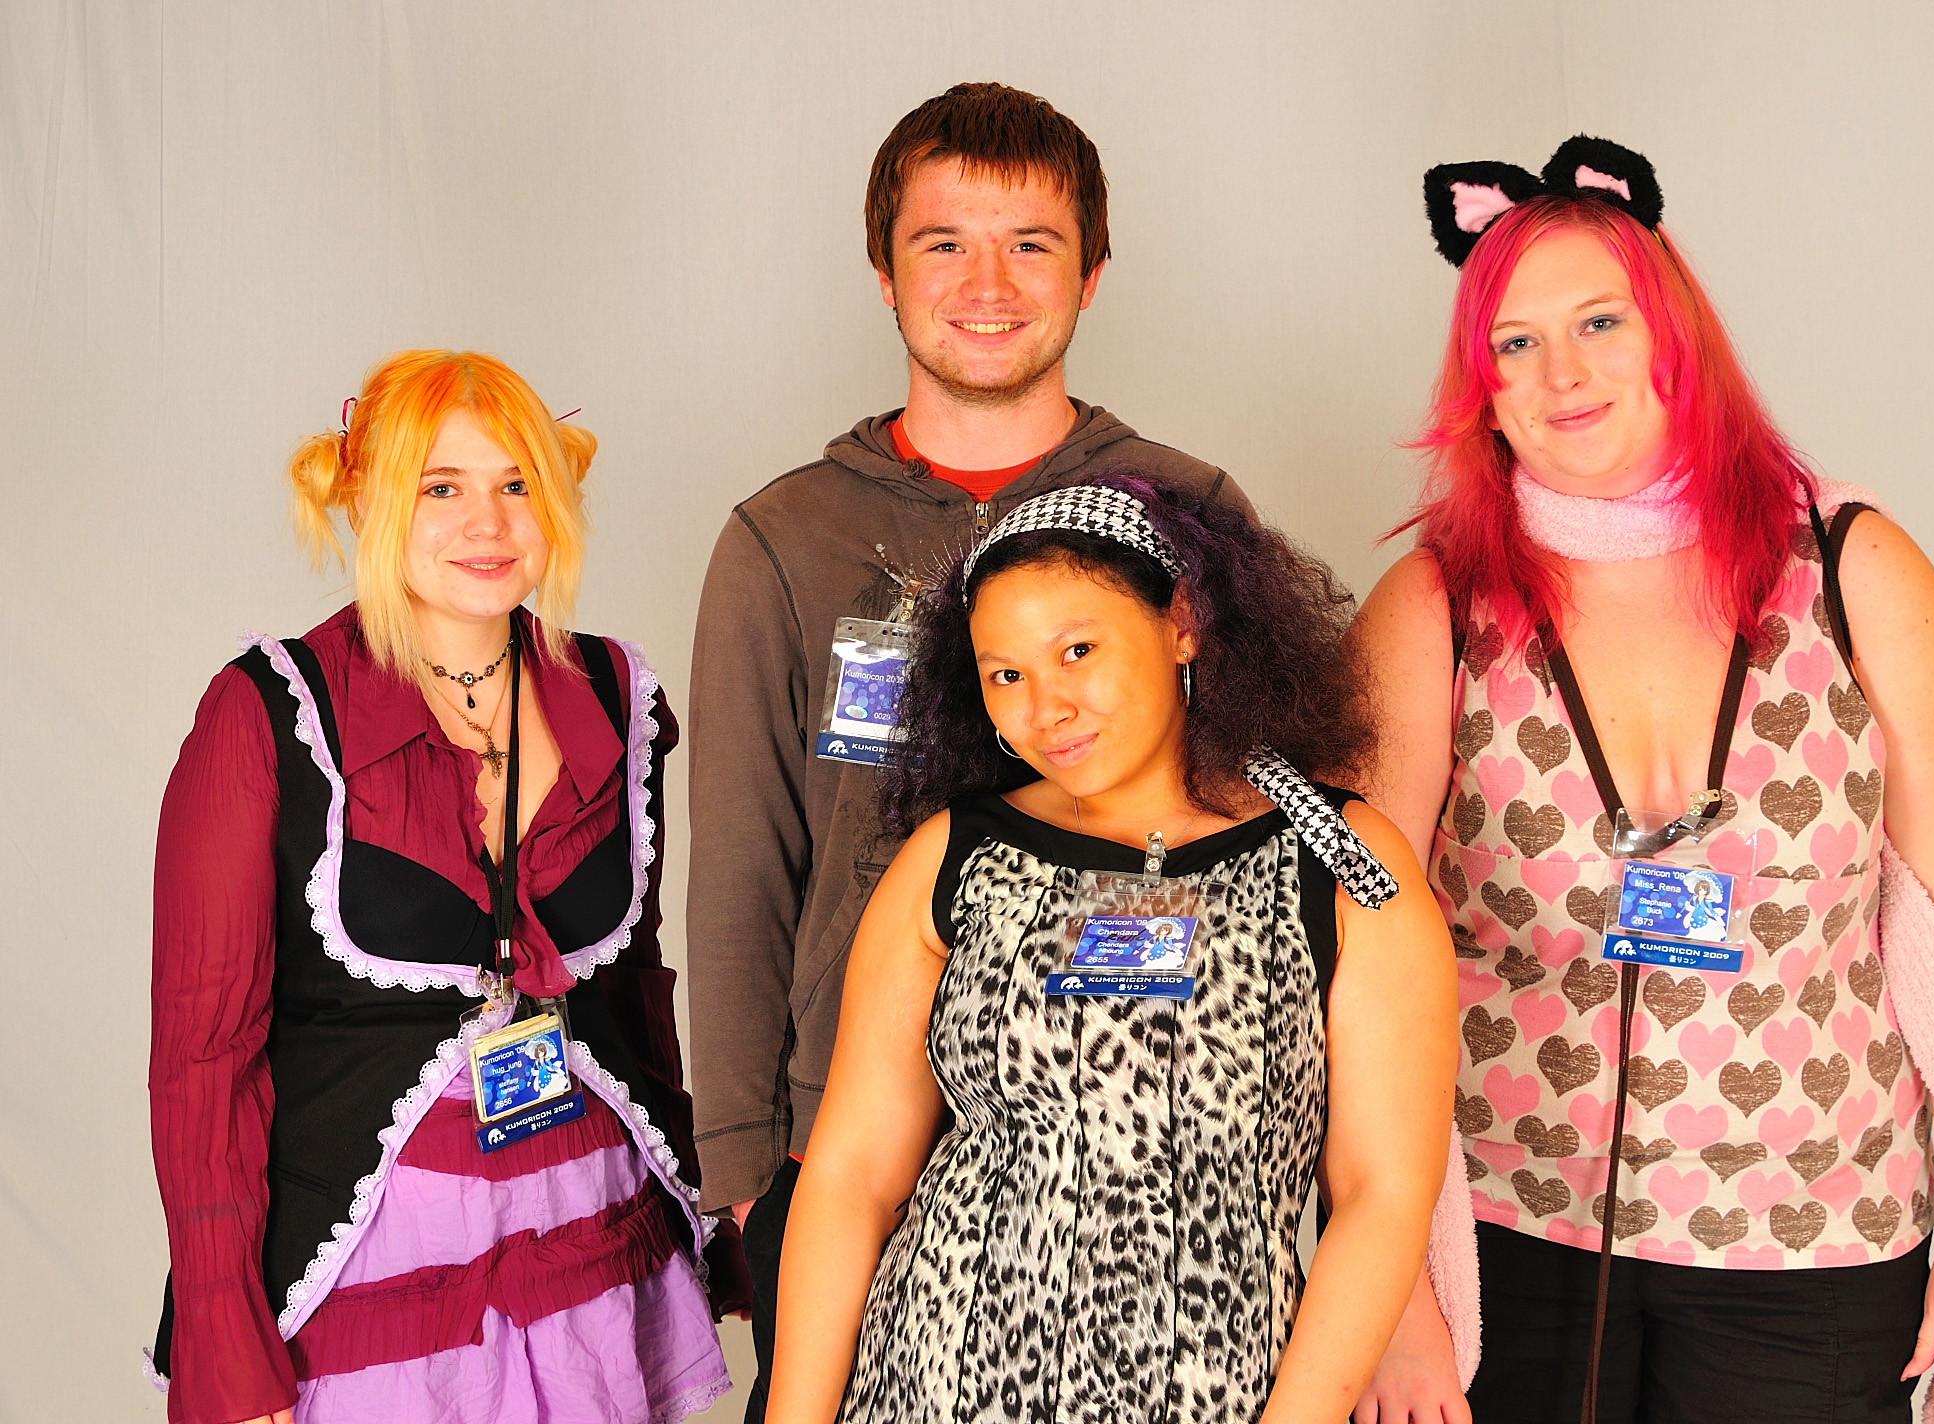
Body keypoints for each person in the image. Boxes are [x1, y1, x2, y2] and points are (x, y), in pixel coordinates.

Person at [1352, 137, 1934, 1423]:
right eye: (1513, 344)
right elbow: (1352, 955)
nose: (1561, 373)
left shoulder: (1855, 566)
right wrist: (1386, 1295)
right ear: (1480, 392)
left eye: (1597, 321)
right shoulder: (1429, 602)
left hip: (1816, 1238)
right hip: (1504, 1232)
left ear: (1672, 332)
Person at [686, 80, 1250, 1419]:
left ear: (1091, 274)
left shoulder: (1188, 512)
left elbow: (1254, 829)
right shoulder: (783, 539)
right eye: (943, 243)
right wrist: (748, 1166)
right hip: (843, 1145)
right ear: (884, 273)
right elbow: (741, 867)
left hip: (1135, 1123)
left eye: (1030, 245)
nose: (986, 285)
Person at [763, 477, 1457, 1423]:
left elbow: (1383, 1195)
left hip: (1216, 1395)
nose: (1046, 708)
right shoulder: (953, 856)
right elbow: (852, 1179)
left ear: (1183, 624)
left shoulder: (1342, 862)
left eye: (1077, 651)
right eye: (1006, 675)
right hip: (931, 1380)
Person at [147, 351, 727, 1424]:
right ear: (368, 501)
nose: (489, 524)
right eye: (441, 487)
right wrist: (224, 1342)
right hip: (378, 1266)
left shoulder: (615, 691)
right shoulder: (264, 713)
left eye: (517, 484)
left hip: (585, 1231)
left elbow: (638, 989)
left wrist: (701, 1192)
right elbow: (203, 1056)